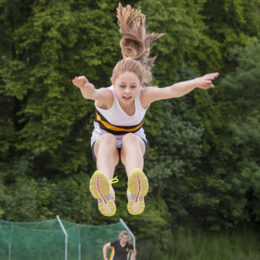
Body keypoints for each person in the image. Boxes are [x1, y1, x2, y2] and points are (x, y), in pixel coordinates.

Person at [72, 3, 219, 217]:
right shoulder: (107, 95)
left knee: (131, 138)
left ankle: (136, 190)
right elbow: (91, 94)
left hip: (134, 149)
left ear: (141, 84)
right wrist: (85, 86)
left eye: (133, 86)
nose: (128, 92)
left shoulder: (144, 95)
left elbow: (173, 90)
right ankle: (106, 190)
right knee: (108, 140)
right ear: (113, 82)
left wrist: (196, 82)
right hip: (106, 149)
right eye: (122, 86)